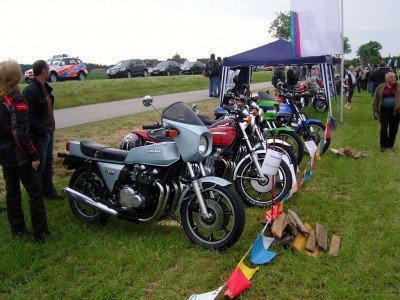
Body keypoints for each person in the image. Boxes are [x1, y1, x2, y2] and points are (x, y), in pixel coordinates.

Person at [0, 59, 49, 241]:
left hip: (5, 157)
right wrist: (33, 155)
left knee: (12, 194)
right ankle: (40, 233)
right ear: (16, 77)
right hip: (19, 155)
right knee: (35, 192)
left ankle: (18, 231)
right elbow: (20, 133)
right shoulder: (17, 100)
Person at [22, 60, 64, 200]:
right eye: (48, 69)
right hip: (40, 135)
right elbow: (29, 117)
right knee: (40, 166)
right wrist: (43, 130)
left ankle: (49, 192)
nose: (50, 71)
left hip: (48, 132)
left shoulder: (44, 87)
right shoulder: (30, 90)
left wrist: (48, 130)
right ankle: (36, 196)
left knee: (49, 164)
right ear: (44, 71)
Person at [372, 71, 400, 152]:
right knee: (383, 130)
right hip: (384, 112)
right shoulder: (380, 88)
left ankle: (390, 146)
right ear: (386, 79)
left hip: (396, 113)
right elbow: (375, 100)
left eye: (394, 77)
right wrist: (375, 111)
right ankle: (383, 146)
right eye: (391, 77)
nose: (393, 78)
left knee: (393, 130)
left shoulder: (398, 87)